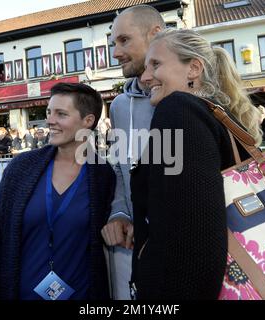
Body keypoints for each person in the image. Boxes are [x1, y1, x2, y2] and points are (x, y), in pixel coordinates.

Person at [129, 29, 261, 299]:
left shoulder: (178, 109)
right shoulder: (216, 115)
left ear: (193, 69)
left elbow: (193, 240)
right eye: (145, 67)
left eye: (156, 64)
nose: (143, 77)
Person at [0, 83, 115, 300]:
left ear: (87, 121)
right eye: (49, 112)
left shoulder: (103, 176)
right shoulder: (21, 168)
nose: (50, 120)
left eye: (61, 114)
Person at [100, 5, 165, 300]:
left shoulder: (193, 97)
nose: (115, 52)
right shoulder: (118, 106)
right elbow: (120, 168)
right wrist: (121, 212)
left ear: (156, 34)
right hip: (138, 253)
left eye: (124, 40)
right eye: (114, 43)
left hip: (190, 245)